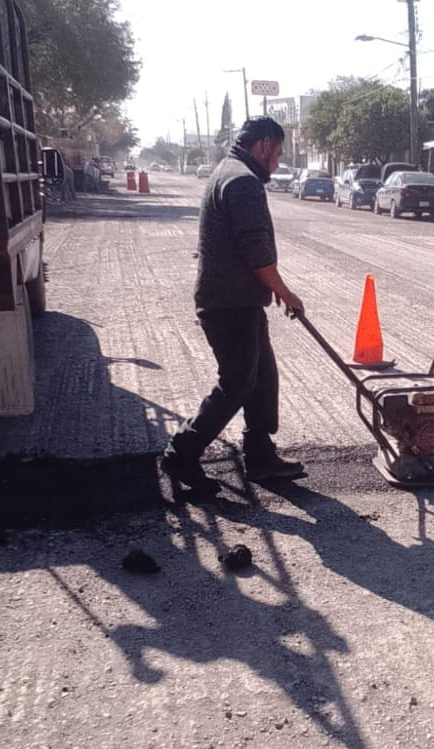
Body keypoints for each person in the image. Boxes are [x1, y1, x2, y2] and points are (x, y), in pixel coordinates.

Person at [161, 116, 307, 494]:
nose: (278, 161)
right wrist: (285, 291)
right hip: (229, 305)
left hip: (240, 300)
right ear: (262, 147)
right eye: (277, 153)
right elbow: (255, 250)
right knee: (238, 382)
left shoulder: (230, 171)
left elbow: (250, 251)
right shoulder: (242, 181)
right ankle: (182, 452)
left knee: (263, 378)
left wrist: (269, 288)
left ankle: (260, 455)